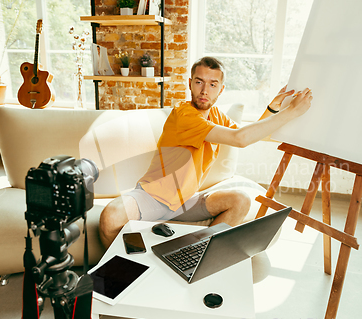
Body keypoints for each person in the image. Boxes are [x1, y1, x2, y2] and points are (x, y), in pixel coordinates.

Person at [99, 56, 313, 247]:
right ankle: (126, 271)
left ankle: (198, 253)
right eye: (199, 82)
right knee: (111, 215)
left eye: (213, 84)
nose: (204, 91)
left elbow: (247, 134)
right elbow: (240, 139)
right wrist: (292, 111)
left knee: (240, 200)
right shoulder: (184, 114)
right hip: (153, 196)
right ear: (190, 83)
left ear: (221, 89)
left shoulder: (217, 116)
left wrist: (273, 108)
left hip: (187, 201)